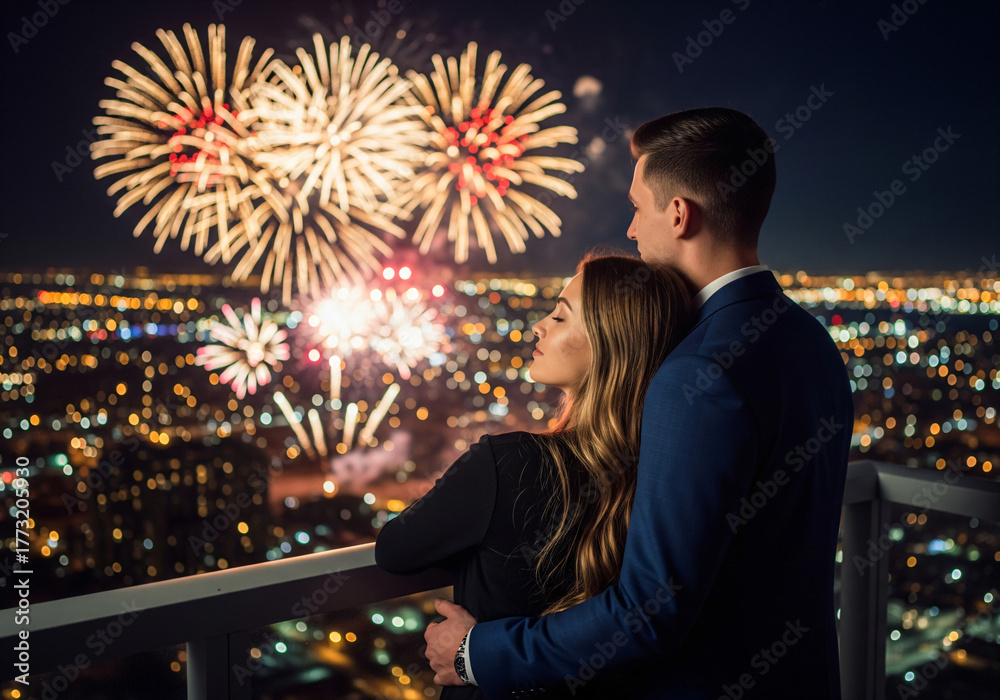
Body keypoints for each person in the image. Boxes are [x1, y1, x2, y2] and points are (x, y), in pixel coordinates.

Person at [425, 107, 855, 698]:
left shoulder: (696, 376)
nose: (630, 230)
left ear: (679, 214)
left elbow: (648, 610)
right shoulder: (811, 342)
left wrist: (482, 654)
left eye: (637, 207)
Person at [375, 253, 692, 699]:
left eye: (560, 317)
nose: (538, 326)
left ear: (605, 342)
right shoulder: (665, 470)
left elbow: (394, 550)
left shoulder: (508, 463)